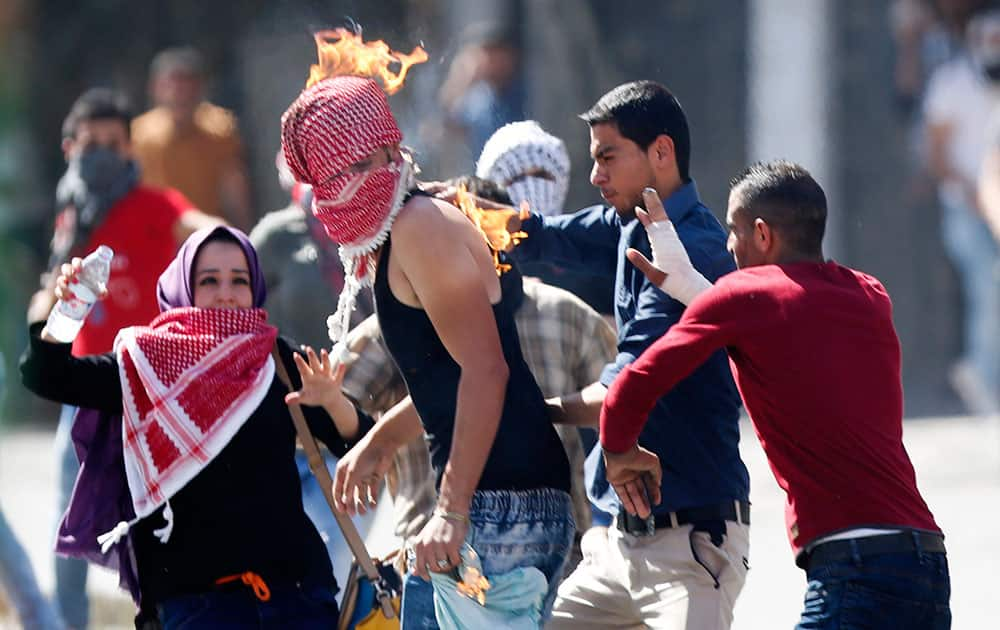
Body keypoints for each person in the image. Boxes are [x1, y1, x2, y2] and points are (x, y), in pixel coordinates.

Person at [280, 49, 574, 626]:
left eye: (328, 177)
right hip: (494, 509)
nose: (324, 197)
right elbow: (451, 376)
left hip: (498, 509)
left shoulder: (419, 230)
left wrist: (452, 508)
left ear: (364, 160)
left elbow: (488, 372)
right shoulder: (411, 226)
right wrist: (384, 440)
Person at [602, 161, 950, 629]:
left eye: (734, 230)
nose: (728, 245)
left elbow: (633, 385)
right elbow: (789, 330)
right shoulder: (870, 296)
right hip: (925, 560)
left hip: (853, 566)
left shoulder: (745, 295)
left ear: (762, 234)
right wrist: (699, 291)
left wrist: (619, 451)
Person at [21, 225, 375, 629]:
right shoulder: (145, 366)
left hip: (297, 601)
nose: (226, 293)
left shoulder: (273, 359)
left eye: (239, 281)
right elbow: (46, 375)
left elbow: (362, 446)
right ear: (183, 288)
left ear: (256, 289)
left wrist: (332, 401)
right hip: (196, 609)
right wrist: (69, 308)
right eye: (209, 281)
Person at [491, 80, 749, 629]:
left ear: (661, 152)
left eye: (608, 157)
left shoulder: (693, 248)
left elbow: (622, 388)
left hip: (688, 543)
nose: (595, 176)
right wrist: (462, 211)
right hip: (613, 547)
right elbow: (543, 236)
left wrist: (528, 408)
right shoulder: (627, 223)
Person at [333, 175, 617, 575]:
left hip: (497, 525)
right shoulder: (403, 309)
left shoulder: (564, 314)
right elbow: (447, 387)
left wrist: (451, 511)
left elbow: (622, 402)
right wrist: (379, 440)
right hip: (439, 535)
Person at [24, 87, 217, 630]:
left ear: (131, 150)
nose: (105, 154)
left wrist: (227, 249)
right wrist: (40, 331)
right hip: (85, 392)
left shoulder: (154, 205)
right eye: (93, 144)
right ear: (70, 148)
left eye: (115, 143)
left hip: (148, 391)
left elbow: (201, 229)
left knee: (162, 523)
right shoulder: (71, 216)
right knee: (69, 521)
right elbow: (51, 293)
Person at [249, 151, 377, 601]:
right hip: (288, 428)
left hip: (350, 425)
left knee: (342, 562)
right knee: (282, 565)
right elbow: (243, 313)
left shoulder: (372, 228)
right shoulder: (274, 236)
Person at [924, 7, 1000, 414]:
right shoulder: (950, 83)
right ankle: (982, 379)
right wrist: (976, 194)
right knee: (986, 287)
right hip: (966, 208)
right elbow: (936, 154)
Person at [476, 120, 614, 315]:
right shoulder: (483, 262)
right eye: (515, 178)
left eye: (542, 174)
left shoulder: (588, 243)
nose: (531, 186)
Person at [132, 47, 253, 229]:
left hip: (209, 237)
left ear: (200, 89)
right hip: (157, 239)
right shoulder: (139, 136)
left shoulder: (220, 130)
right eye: (171, 86)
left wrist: (245, 237)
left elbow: (235, 193)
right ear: (155, 88)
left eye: (187, 87)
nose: (179, 94)